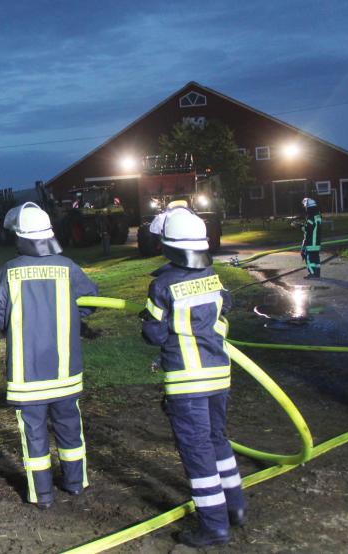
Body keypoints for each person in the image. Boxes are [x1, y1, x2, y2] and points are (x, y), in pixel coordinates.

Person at [140, 206, 246, 547]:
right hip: (219, 376)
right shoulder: (213, 277)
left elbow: (153, 335)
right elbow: (224, 305)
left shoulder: (163, 285)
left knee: (196, 450)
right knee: (217, 439)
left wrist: (147, 318)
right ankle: (236, 506)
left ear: (168, 247)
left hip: (187, 382)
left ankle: (213, 526)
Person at [0, 202, 100, 509]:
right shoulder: (68, 267)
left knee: (34, 437)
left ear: (21, 238)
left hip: (28, 377)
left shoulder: (10, 271)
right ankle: (76, 484)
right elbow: (90, 301)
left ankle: (43, 496)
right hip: (66, 372)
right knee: (70, 427)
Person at [300, 197, 322, 279]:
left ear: (308, 207)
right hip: (317, 241)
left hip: (310, 241)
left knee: (308, 257)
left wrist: (300, 226)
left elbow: (307, 229)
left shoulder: (310, 217)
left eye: (305, 207)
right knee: (316, 257)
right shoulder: (318, 215)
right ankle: (317, 273)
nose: (305, 208)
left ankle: (312, 273)